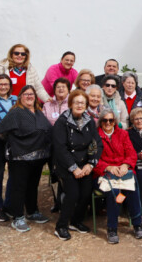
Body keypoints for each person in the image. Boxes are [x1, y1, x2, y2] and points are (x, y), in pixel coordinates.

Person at [0, 85, 52, 232]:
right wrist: (15, 143)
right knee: (18, 188)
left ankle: (32, 212)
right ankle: (18, 217)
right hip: (20, 158)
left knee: (32, 186)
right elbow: (1, 131)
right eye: (26, 94)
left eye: (31, 94)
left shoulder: (39, 112)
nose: (29, 97)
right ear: (20, 96)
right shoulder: (16, 112)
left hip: (38, 158)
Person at [52, 90, 102, 240]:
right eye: (77, 102)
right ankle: (61, 226)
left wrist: (91, 164)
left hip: (85, 164)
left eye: (83, 102)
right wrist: (74, 168)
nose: (80, 105)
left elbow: (95, 143)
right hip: (66, 165)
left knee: (86, 193)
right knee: (73, 194)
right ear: (71, 104)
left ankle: (76, 221)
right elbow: (60, 148)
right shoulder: (62, 122)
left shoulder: (89, 121)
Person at [94, 108, 142, 243]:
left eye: (111, 120)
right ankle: (112, 227)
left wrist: (125, 165)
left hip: (123, 171)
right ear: (101, 121)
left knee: (132, 189)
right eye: (105, 120)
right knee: (115, 193)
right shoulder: (95, 136)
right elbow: (93, 159)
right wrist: (108, 167)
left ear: (115, 121)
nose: (108, 123)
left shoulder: (122, 134)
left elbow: (131, 153)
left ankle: (137, 223)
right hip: (106, 173)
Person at [0, 75, 17, 222]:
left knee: (14, 173)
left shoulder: (16, 99)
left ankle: (9, 204)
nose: (3, 87)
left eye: (6, 84)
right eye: (0, 84)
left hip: (15, 141)